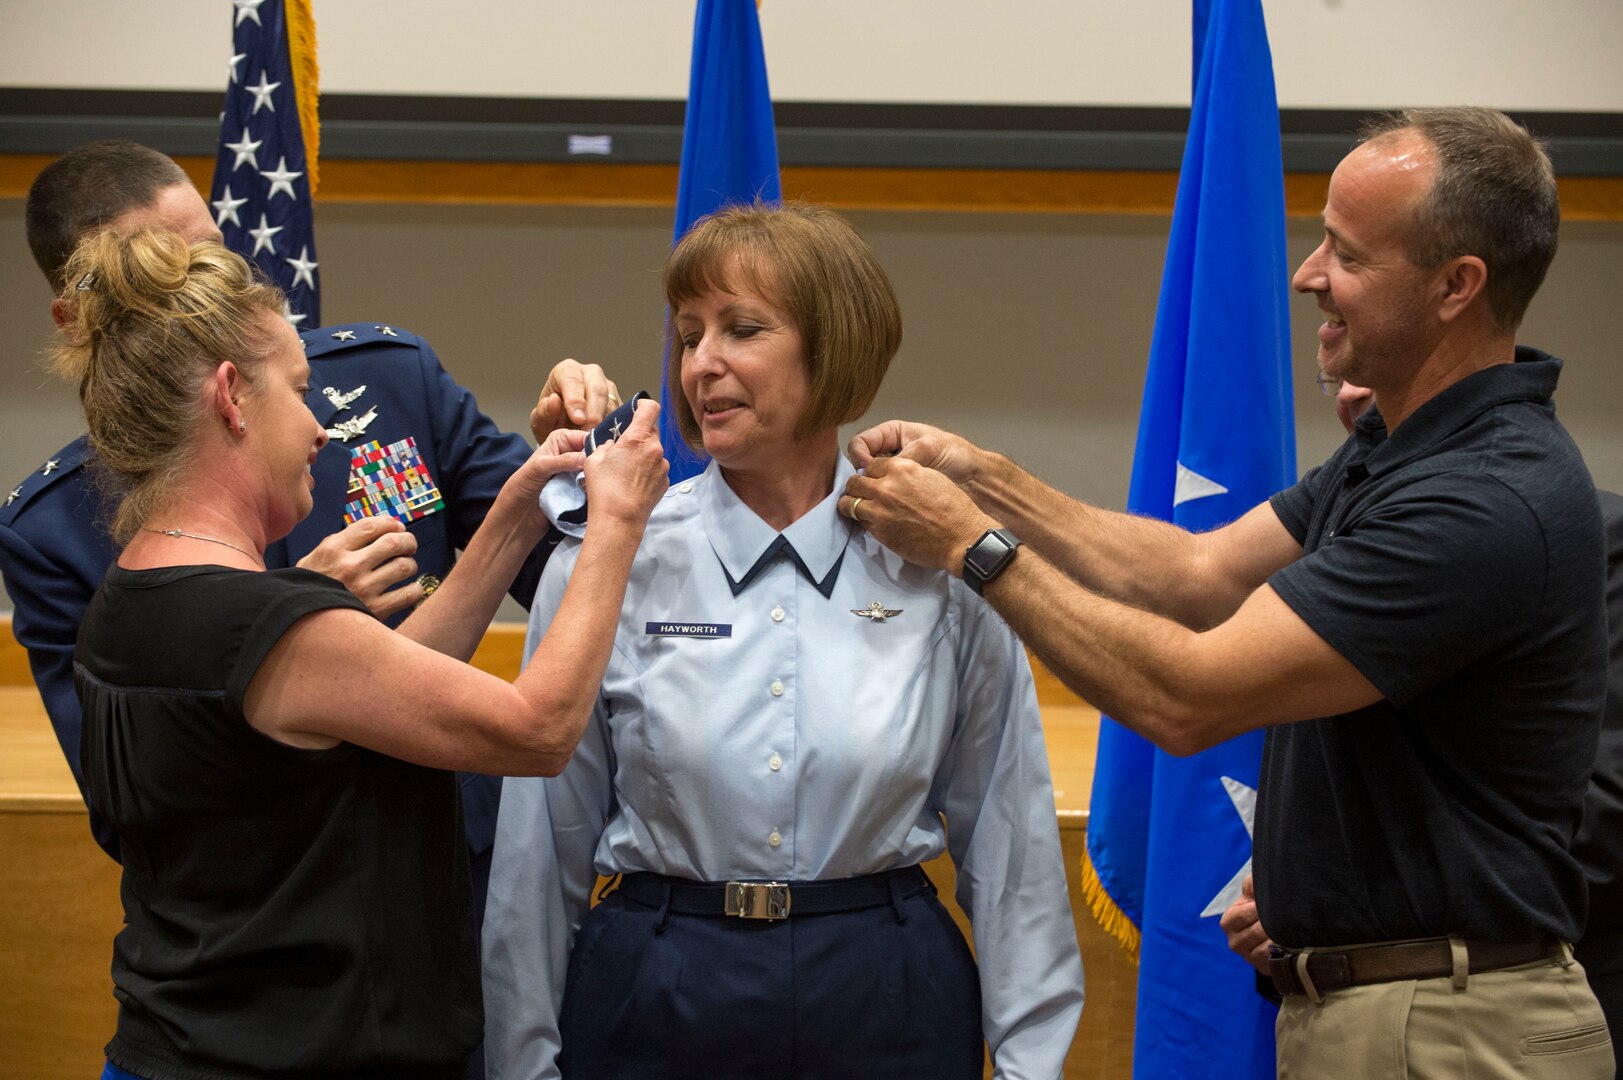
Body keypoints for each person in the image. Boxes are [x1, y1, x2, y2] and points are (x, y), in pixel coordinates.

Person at [842, 106, 1613, 1076]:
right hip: (1383, 1009)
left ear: (1459, 286)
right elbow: (1192, 574)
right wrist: (981, 474)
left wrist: (971, 546)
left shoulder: (1481, 498)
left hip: (1448, 1032)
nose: (1308, 274)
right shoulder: (1405, 452)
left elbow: (1188, 693)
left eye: (1349, 253)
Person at [482, 202, 1083, 1080]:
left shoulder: (938, 561)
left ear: (831, 348)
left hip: (884, 989)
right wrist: (522, 1064)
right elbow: (541, 850)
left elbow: (1009, 840)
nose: (701, 364)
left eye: (742, 329)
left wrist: (1032, 1066)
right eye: (689, 335)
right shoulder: (614, 555)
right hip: (658, 982)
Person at [57, 225, 667, 1079]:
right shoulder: (258, 624)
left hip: (182, 1046)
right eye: (301, 393)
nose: (319, 429)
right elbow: (539, 730)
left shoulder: (141, 590)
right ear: (232, 397)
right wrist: (618, 525)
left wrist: (519, 507)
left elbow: (377, 691)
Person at [2, 140, 619, 880]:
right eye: (164, 290)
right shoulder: (53, 526)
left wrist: (575, 468)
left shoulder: (385, 379)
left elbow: (557, 567)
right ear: (76, 323)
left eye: (211, 259)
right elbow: (127, 810)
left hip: (460, 859)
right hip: (285, 905)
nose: (212, 296)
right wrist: (298, 614)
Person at [1224, 376, 1623, 1077]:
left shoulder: (1584, 535)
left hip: (1507, 1004)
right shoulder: (1339, 551)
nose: (1355, 400)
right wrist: (1301, 901)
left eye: (1383, 377)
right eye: (1343, 383)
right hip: (1347, 1011)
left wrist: (1360, 902)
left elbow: (1603, 806)